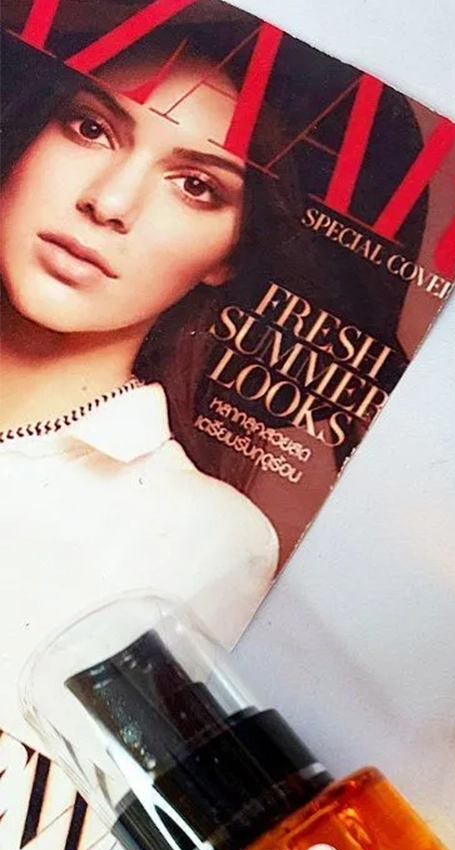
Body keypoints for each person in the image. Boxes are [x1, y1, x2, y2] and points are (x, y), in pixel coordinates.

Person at [0, 41, 291, 746]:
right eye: (90, 128)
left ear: (230, 255)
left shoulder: (207, 538)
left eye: (195, 185)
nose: (109, 202)